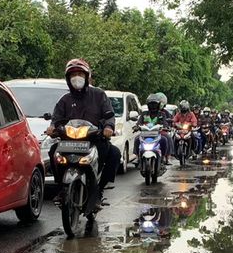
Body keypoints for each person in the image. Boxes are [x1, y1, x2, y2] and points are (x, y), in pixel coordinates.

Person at [47, 58, 121, 206]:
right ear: (68, 79)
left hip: (95, 139)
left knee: (114, 154)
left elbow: (109, 115)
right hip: (69, 141)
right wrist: (53, 128)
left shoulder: (99, 95)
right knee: (53, 151)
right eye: (73, 74)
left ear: (87, 76)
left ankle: (99, 189)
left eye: (80, 73)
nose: (77, 77)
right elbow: (56, 119)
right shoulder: (64, 100)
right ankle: (62, 188)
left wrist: (108, 128)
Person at [134, 93, 173, 170]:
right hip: (145, 134)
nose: (153, 106)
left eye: (154, 104)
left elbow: (165, 123)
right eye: (151, 104)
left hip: (157, 134)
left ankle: (164, 158)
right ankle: (137, 157)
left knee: (165, 139)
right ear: (148, 105)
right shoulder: (144, 114)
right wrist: (136, 127)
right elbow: (139, 123)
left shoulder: (162, 114)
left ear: (158, 105)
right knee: (137, 139)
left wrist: (166, 127)